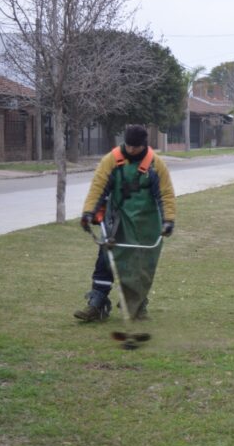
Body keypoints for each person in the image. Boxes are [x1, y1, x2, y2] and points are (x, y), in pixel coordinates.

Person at [74, 125, 176, 322]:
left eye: (135, 148)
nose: (130, 150)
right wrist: (88, 213)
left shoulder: (156, 164)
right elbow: (98, 186)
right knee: (106, 259)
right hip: (117, 221)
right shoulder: (111, 160)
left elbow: (166, 194)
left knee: (140, 266)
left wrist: (168, 220)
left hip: (146, 223)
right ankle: (97, 302)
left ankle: (136, 304)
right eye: (128, 146)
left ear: (143, 145)